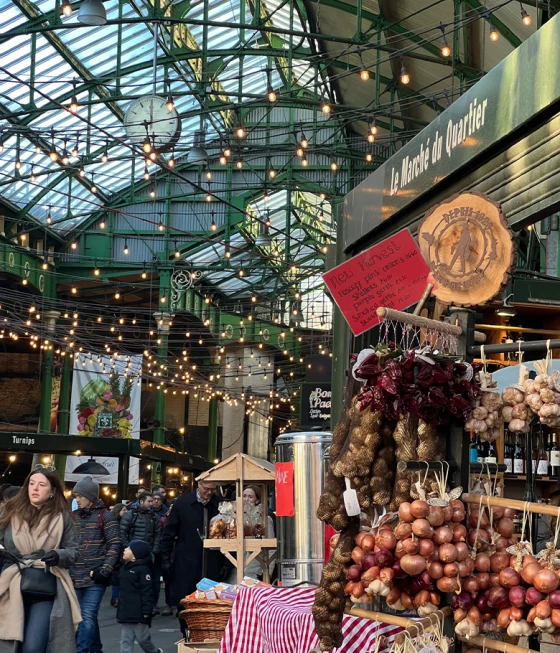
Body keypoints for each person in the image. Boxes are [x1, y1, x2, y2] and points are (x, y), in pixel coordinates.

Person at [0, 467, 82, 653]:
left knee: (33, 647)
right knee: (10, 645)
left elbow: (73, 552)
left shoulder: (63, 518)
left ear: (52, 491)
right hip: (12, 585)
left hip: (44, 587)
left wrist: (57, 555)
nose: (34, 488)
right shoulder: (10, 511)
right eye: (31, 483)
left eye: (41, 485)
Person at [160, 480, 230, 634]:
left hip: (213, 562)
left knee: (211, 603)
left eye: (213, 489)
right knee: (186, 602)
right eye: (206, 488)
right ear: (199, 484)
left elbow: (228, 537)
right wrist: (165, 560)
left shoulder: (220, 505)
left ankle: (207, 637)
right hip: (186, 562)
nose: (209, 492)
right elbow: (168, 534)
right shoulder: (182, 504)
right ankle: (186, 634)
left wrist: (226, 562)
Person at [71, 476, 121, 653]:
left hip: (94, 577)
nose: (77, 499)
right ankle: (96, 649)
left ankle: (82, 651)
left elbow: (115, 543)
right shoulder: (73, 516)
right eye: (76, 496)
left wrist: (105, 570)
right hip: (74, 576)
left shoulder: (106, 516)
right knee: (83, 617)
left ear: (90, 497)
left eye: (80, 496)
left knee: (87, 616)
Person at [117, 540, 162, 653]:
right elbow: (115, 579)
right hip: (126, 612)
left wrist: (147, 609)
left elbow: (147, 591)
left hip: (140, 613)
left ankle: (154, 651)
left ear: (134, 556)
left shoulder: (143, 570)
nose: (125, 550)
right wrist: (98, 575)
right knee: (126, 640)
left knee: (143, 639)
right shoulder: (124, 568)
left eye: (128, 549)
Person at [234, 486, 275, 582]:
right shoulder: (234, 520)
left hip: (255, 573)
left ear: (257, 500)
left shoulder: (265, 519)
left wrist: (268, 573)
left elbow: (271, 549)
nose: (246, 499)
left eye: (250, 496)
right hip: (235, 573)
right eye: (244, 496)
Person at [120, 493, 160, 558]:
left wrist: (154, 551)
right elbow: (122, 533)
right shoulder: (131, 514)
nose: (151, 504)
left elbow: (157, 534)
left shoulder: (153, 516)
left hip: (148, 552)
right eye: (149, 501)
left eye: (151, 501)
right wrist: (128, 548)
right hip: (133, 552)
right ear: (141, 501)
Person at [109, 503, 128, 608]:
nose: (125, 512)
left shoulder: (126, 522)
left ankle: (118, 597)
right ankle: (115, 597)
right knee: (116, 576)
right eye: (123, 510)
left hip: (123, 550)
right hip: (116, 550)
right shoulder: (114, 523)